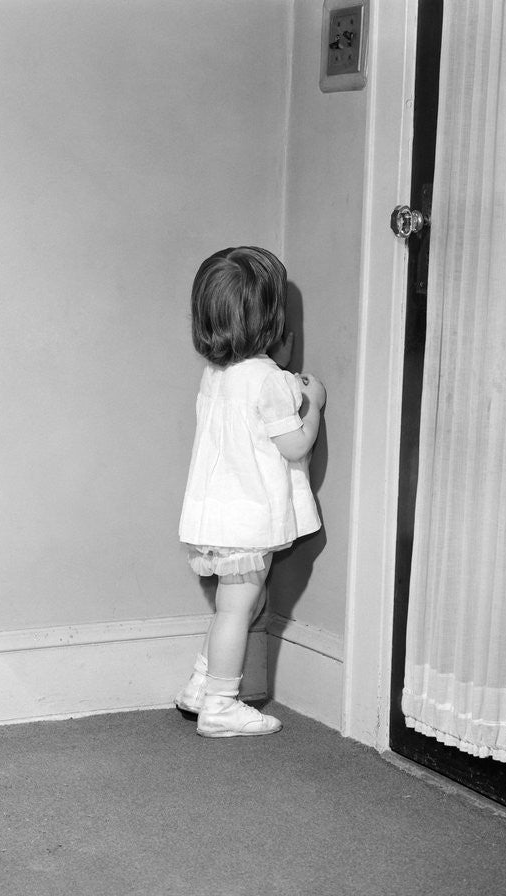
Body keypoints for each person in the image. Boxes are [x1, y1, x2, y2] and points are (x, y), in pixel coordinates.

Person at [176, 246, 326, 738]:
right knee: (240, 607)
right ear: (271, 319)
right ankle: (220, 703)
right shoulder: (271, 381)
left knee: (232, 605)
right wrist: (315, 405)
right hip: (246, 519)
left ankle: (202, 687)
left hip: (214, 514)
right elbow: (294, 444)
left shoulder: (217, 375)